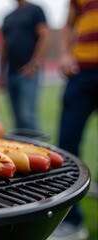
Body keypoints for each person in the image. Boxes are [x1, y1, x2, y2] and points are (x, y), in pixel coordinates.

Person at [49, 0, 98, 239]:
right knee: (67, 143)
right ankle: (71, 220)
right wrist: (65, 53)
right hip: (81, 71)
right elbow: (68, 23)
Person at [0, 0, 50, 131]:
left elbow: (44, 36)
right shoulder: (8, 16)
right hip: (11, 73)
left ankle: (35, 149)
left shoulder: (35, 10)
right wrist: (1, 73)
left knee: (27, 117)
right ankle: (21, 149)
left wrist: (33, 64)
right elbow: (4, 46)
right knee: (17, 119)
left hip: (28, 73)